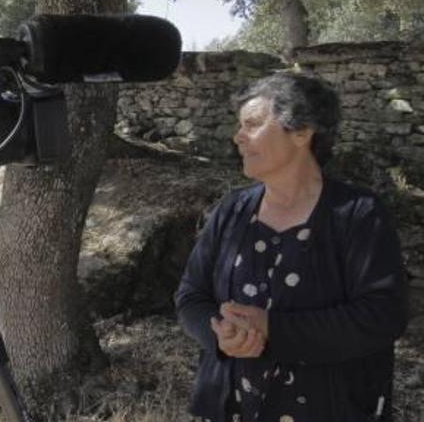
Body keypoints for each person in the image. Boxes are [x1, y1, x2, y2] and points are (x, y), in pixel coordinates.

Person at [174, 73, 409, 422]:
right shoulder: (232, 210)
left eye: (252, 124)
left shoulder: (358, 213)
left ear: (302, 131)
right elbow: (191, 296)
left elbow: (382, 316)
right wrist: (220, 334)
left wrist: (272, 328)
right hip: (233, 409)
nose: (238, 137)